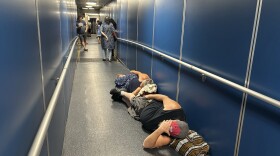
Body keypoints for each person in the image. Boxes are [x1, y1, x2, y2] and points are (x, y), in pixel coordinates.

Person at [110, 88, 187, 132]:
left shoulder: (170, 132)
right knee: (134, 99)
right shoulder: (174, 107)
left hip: (141, 115)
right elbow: (164, 97)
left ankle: (121, 98)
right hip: (148, 105)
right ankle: (122, 92)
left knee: (131, 108)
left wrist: (161, 129)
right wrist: (148, 96)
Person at [143, 120, 210, 156]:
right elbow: (146, 145)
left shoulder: (170, 138)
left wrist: (160, 129)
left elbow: (146, 145)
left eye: (168, 121)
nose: (166, 121)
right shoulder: (184, 129)